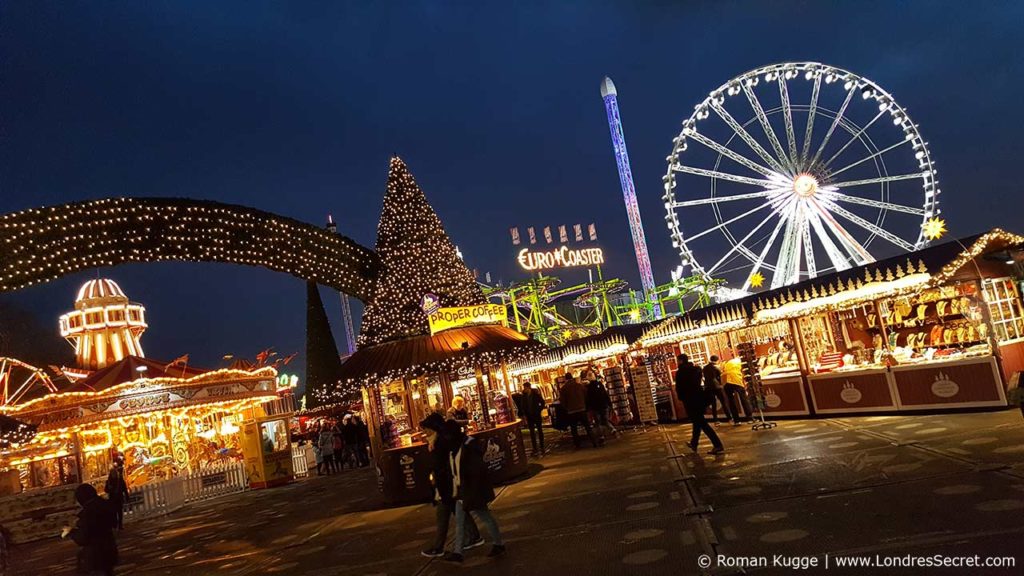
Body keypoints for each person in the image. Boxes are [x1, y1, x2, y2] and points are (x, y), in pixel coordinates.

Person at [419, 413, 484, 558]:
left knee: (444, 515)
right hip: (449, 485)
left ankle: (439, 547)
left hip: (447, 486)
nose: (425, 432)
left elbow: (442, 466)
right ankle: (474, 537)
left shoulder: (440, 443)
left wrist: (440, 486)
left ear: (434, 428)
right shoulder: (438, 441)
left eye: (427, 429)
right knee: (458, 512)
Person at [444, 420, 505, 563]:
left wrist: (472, 491)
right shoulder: (454, 448)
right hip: (461, 490)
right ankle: (458, 552)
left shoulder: (468, 446)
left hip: (472, 490)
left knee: (485, 517)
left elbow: (475, 471)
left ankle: (499, 544)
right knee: (460, 521)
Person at [63, 483, 118, 576]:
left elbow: (83, 537)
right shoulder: (105, 505)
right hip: (109, 548)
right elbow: (114, 523)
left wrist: (71, 532)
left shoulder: (88, 513)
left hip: (95, 555)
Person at [675, 354, 724, 455]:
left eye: (678, 360)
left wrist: (681, 397)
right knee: (697, 421)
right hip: (699, 398)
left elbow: (680, 388)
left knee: (701, 423)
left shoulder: (681, 372)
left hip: (690, 400)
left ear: (680, 361)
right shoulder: (696, 370)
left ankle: (717, 444)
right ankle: (694, 443)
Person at [559, 373, 598, 449]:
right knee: (587, 427)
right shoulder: (579, 386)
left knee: (574, 429)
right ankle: (594, 442)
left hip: (571, 411)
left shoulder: (564, 389)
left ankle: (577, 445)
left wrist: (567, 407)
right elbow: (586, 395)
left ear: (565, 379)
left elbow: (562, 401)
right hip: (581, 409)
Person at [722, 357, 753, 425]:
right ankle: (749, 418)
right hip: (736, 378)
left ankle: (736, 420)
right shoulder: (742, 361)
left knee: (731, 401)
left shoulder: (727, 362)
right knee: (744, 399)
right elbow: (746, 372)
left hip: (725, 380)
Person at [518, 382, 546, 456]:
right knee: (532, 432)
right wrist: (525, 413)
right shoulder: (524, 396)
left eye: (525, 387)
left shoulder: (535, 393)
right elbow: (522, 405)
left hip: (536, 415)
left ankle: (542, 446)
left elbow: (542, 402)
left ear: (528, 387)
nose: (524, 389)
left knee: (540, 430)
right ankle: (535, 448)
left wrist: (539, 409)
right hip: (529, 416)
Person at [702, 356, 732, 425]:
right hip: (717, 387)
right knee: (724, 402)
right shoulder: (716, 367)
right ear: (717, 360)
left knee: (713, 404)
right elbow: (720, 376)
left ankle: (716, 420)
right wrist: (721, 384)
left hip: (709, 387)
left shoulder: (705, 367)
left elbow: (704, 377)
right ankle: (729, 418)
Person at [103, 458, 130, 531]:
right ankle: (116, 524)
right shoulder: (109, 482)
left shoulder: (119, 480)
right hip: (114, 498)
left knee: (118, 511)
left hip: (117, 497)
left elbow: (124, 488)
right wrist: (109, 488)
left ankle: (119, 524)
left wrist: (127, 495)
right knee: (115, 512)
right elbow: (106, 490)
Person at [585, 376, 614, 442]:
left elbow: (588, 399)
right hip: (604, 405)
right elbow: (605, 394)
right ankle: (613, 429)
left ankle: (601, 436)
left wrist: (588, 408)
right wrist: (609, 403)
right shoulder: (600, 384)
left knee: (598, 423)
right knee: (606, 420)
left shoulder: (589, 387)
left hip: (595, 407)